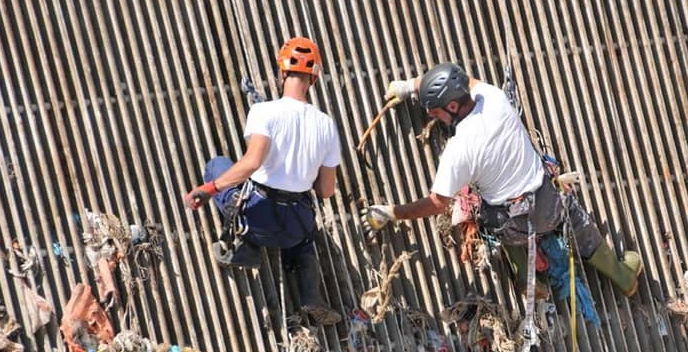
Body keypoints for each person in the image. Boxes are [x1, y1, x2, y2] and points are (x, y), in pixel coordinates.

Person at [361, 62, 643, 301]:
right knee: (577, 220)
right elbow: (465, 78)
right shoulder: (493, 97)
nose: (430, 115)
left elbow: (436, 203)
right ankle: (623, 276)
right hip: (551, 206)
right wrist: (412, 85)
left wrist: (391, 212)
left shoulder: (459, 149)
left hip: (512, 226)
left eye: (434, 110)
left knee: (488, 213)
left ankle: (529, 281)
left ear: (453, 105)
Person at [184, 37, 342, 325]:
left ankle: (245, 245)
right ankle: (310, 294)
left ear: (282, 72)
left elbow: (252, 162)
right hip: (295, 225)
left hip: (257, 218)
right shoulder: (327, 125)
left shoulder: (264, 111)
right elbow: (327, 191)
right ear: (315, 78)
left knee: (216, 164)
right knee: (305, 226)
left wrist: (209, 189)